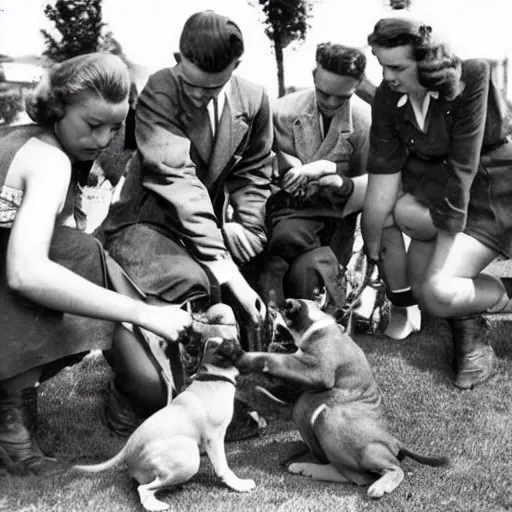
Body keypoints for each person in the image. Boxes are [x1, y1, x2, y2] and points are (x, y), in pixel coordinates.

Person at [0, 53, 192, 475]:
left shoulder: (27, 141)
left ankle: (14, 406)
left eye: (114, 127)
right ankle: (10, 416)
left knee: (76, 251)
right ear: (57, 109)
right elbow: (25, 272)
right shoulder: (47, 159)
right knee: (79, 257)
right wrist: (143, 312)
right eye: (92, 125)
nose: (104, 139)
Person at [100, 11, 271, 438]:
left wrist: (247, 227)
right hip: (143, 223)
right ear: (178, 58)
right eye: (191, 83)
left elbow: (253, 172)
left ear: (236, 68)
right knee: (193, 284)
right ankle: (138, 396)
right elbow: (175, 175)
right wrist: (226, 266)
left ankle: (192, 398)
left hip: (200, 228)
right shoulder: (159, 88)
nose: (198, 95)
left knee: (212, 297)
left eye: (211, 88)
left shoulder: (254, 99)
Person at [362, 17, 512, 389]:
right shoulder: (386, 96)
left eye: (397, 66)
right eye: (381, 64)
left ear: (426, 62)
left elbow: (464, 169)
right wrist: (370, 241)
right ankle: (468, 315)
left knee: (439, 292)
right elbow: (382, 174)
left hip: (494, 190)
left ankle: (482, 308)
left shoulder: (473, 75)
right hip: (441, 193)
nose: (387, 75)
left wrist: (439, 271)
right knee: (423, 281)